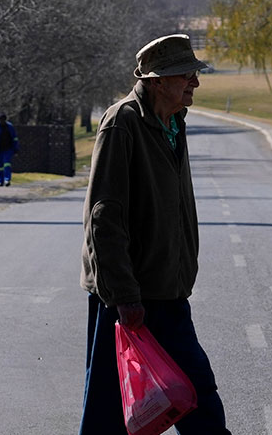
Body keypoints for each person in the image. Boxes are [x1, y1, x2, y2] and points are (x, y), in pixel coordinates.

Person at [79, 33, 229, 435]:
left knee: (199, 398)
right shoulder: (123, 122)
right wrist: (126, 298)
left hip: (169, 294)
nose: (194, 83)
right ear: (157, 80)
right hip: (128, 299)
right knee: (109, 415)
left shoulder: (174, 123)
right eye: (186, 75)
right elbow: (104, 216)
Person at [0, 113, 18, 186]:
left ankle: (7, 180)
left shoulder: (10, 127)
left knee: (7, 164)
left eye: (3, 120)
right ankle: (0, 181)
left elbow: (14, 138)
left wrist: (16, 149)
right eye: (1, 120)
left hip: (7, 149)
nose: (2, 121)